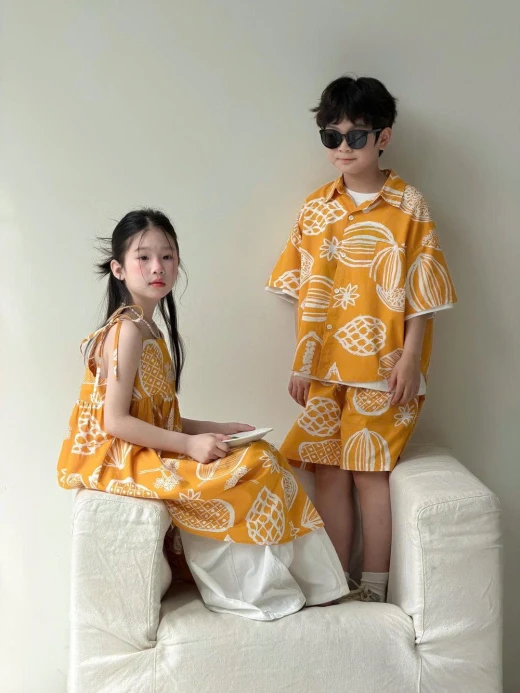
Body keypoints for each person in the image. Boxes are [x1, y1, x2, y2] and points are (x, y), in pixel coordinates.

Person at [58, 208, 348, 620]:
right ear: (118, 269)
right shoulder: (126, 331)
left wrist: (216, 429)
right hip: (118, 458)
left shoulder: (150, 330)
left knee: (262, 453)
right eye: (143, 257)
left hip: (141, 446)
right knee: (252, 468)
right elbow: (115, 422)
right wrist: (190, 445)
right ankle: (258, 592)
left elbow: (158, 419)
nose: (157, 267)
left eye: (167, 256)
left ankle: (314, 586)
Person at [267, 76, 457, 602]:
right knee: (328, 472)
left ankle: (374, 585)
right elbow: (305, 294)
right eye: (332, 137)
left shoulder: (409, 206)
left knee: (370, 473)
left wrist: (411, 359)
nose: (343, 147)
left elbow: (423, 291)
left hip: (384, 367)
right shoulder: (315, 208)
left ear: (383, 137)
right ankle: (335, 584)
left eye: (355, 136)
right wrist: (301, 364)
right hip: (324, 369)